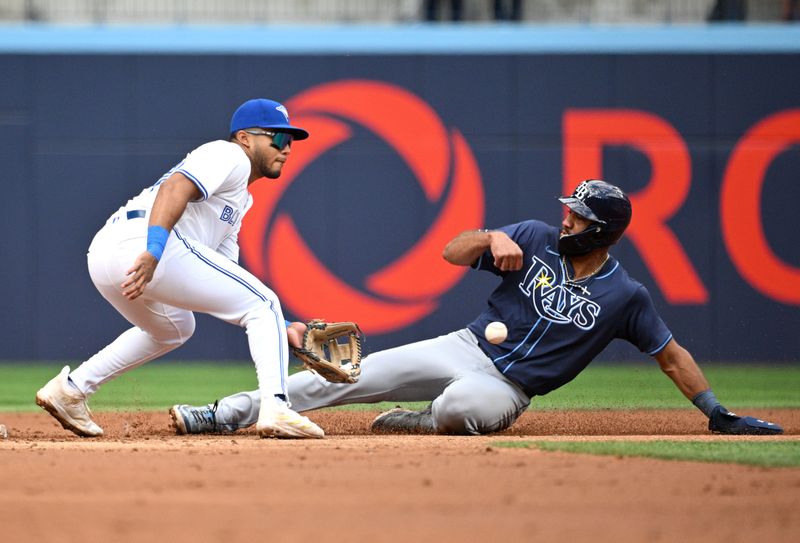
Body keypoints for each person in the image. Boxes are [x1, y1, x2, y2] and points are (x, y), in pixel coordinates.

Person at [170, 180, 783, 436]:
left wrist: (717, 412)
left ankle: (426, 421)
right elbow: (449, 250)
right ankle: (223, 413)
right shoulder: (536, 236)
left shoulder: (627, 297)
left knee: (463, 406)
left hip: (511, 387)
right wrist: (489, 236)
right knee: (347, 377)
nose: (566, 215)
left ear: (604, 233)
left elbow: (672, 357)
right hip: (464, 345)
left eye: (580, 215)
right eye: (569, 208)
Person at [36, 98, 325, 439]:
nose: (287, 148)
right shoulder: (228, 155)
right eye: (278, 138)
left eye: (290, 141)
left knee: (176, 328)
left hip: (108, 253)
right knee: (263, 303)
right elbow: (175, 187)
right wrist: (154, 250)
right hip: (144, 242)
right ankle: (276, 406)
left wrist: (282, 326)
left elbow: (226, 282)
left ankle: (70, 390)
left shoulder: (241, 200)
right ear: (246, 138)